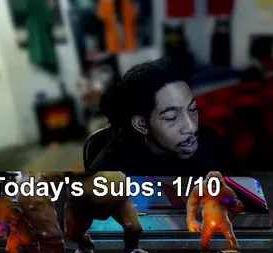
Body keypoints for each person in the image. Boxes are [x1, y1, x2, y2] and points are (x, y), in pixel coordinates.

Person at [88, 57, 235, 173]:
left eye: (192, 109)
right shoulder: (111, 176)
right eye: (172, 117)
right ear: (142, 124)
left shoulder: (213, 145)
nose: (191, 127)